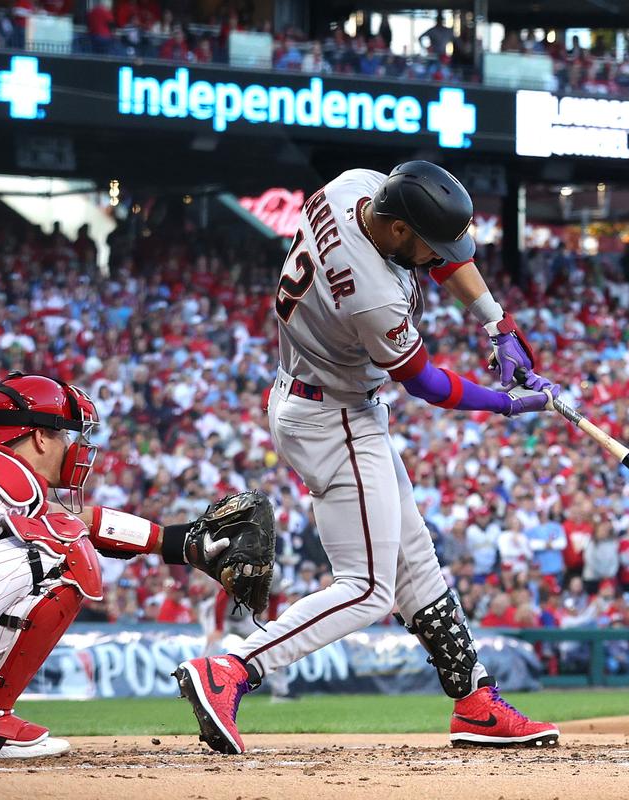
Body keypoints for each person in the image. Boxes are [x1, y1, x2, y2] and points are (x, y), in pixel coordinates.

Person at [173, 161, 562, 753]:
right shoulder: (371, 295)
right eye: (427, 245)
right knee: (369, 588)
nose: (437, 258)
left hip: (319, 397)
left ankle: (475, 701)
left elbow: (444, 254)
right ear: (399, 229)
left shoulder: (357, 186)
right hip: (334, 416)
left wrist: (497, 325)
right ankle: (232, 669)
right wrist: (506, 402)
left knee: (416, 561)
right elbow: (424, 383)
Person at [0, 374, 264, 758]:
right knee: (63, 550)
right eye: (65, 435)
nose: (72, 446)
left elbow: (80, 519)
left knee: (59, 532)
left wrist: (181, 544)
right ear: (40, 438)